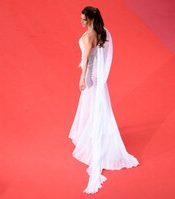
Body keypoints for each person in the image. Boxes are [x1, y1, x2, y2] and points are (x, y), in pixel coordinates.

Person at [68, 6, 139, 194]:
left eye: (84, 19)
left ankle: (94, 139)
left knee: (93, 109)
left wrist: (82, 78)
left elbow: (86, 59)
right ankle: (94, 133)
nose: (81, 22)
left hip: (91, 77)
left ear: (91, 19)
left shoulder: (89, 35)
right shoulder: (102, 32)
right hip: (99, 78)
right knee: (98, 108)